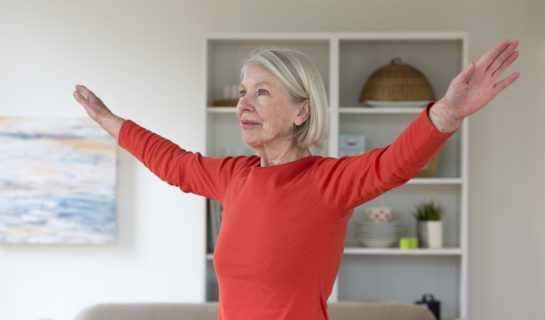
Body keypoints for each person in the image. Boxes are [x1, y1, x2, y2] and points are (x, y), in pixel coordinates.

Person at [73, 39, 519, 320]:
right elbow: (170, 161)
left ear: (302, 111)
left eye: (262, 92)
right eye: (243, 92)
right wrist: (110, 121)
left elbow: (395, 162)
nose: (244, 103)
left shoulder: (329, 182)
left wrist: (448, 111)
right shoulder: (234, 177)